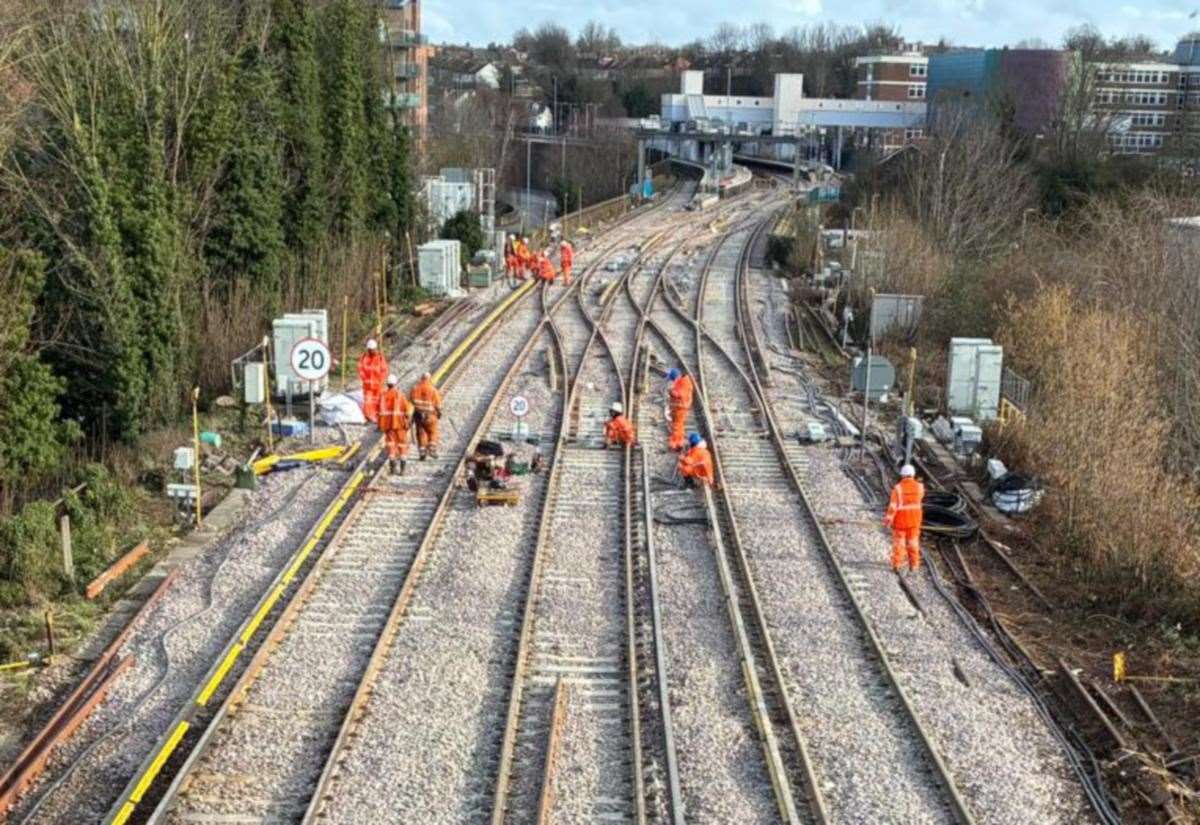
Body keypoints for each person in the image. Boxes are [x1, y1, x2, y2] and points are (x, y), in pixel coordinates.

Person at [885, 463, 925, 572]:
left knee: (899, 543)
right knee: (913, 543)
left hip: (900, 521)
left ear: (902, 475)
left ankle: (897, 565)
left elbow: (893, 507)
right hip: (915, 521)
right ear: (913, 475)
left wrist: (888, 520)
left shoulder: (897, 489)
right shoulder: (920, 487)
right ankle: (914, 565)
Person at [379, 374, 413, 475]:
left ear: (387, 384)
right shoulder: (399, 395)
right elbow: (407, 411)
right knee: (402, 445)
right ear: (395, 383)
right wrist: (408, 421)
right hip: (400, 425)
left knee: (391, 445)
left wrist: (382, 425)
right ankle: (402, 470)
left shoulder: (383, 396)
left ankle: (392, 469)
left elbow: (380, 412)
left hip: (388, 426)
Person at [410, 371, 443, 459]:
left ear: (421, 378)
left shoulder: (415, 388)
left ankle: (422, 451)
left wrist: (419, 408)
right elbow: (439, 405)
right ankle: (432, 448)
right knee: (433, 431)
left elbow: (412, 400)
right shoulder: (433, 390)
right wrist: (439, 413)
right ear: (429, 379)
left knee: (421, 433)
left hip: (419, 416)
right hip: (431, 416)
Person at [357, 339, 387, 423]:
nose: (371, 351)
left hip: (378, 385)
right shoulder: (364, 357)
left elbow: (384, 370)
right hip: (367, 386)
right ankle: (368, 416)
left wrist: (381, 380)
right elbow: (360, 368)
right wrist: (364, 378)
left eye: (372, 349)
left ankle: (377, 417)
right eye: (369, 350)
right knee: (368, 401)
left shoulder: (380, 358)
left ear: (375, 349)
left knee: (377, 401)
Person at [665, 368, 694, 451]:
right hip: (680, 407)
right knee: (679, 425)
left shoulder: (684, 383)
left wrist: (672, 392)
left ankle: (674, 444)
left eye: (672, 378)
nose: (672, 380)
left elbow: (680, 394)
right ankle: (679, 442)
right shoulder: (682, 381)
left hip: (681, 407)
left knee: (676, 426)